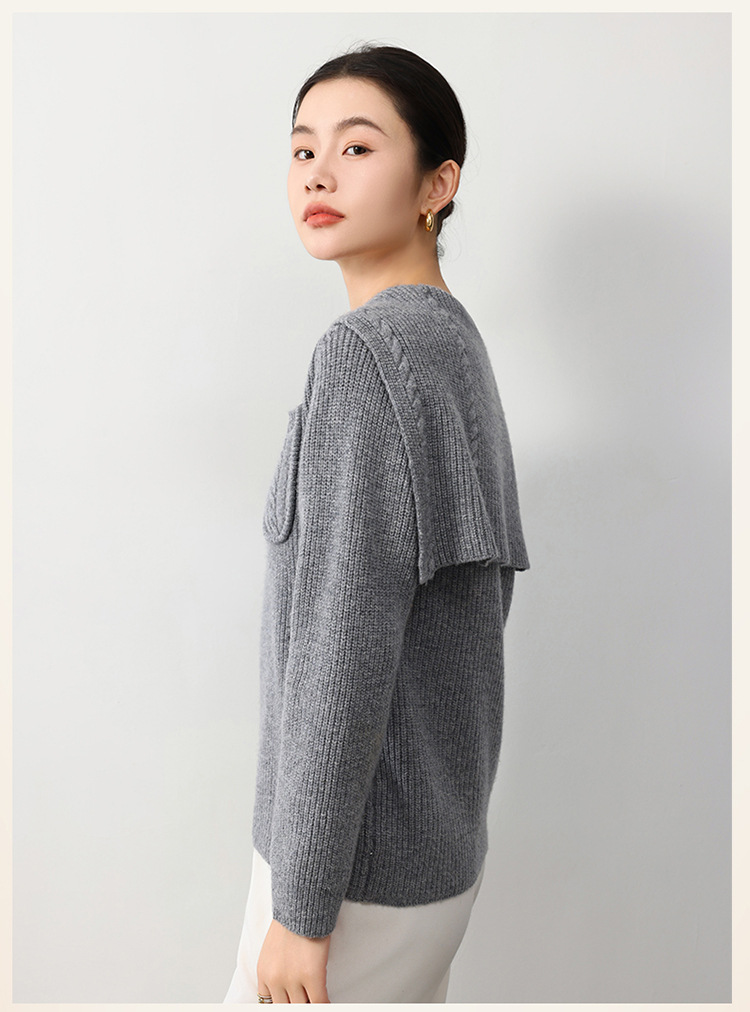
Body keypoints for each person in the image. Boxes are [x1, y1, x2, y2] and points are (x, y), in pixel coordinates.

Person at [224, 43, 530, 1004]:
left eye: (357, 148)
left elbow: (343, 650)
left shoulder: (366, 354)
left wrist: (301, 909)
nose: (318, 173)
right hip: (430, 859)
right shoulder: (450, 339)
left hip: (349, 881)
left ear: (438, 184)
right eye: (302, 148)